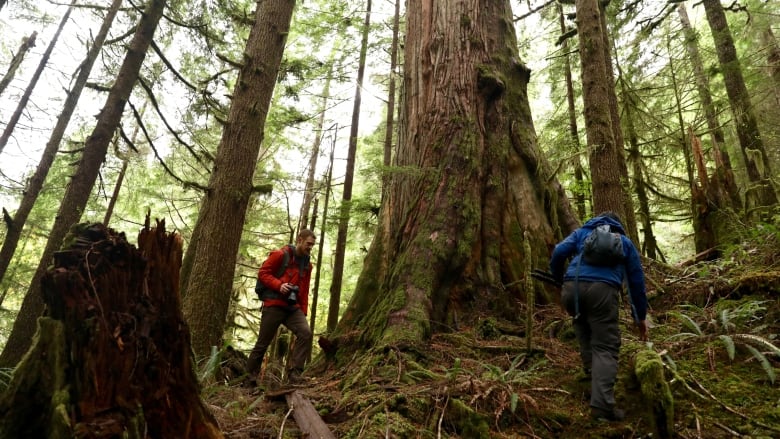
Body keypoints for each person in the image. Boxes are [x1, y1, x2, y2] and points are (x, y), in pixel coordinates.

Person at [549, 212, 649, 422]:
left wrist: (559, 279)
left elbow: (558, 251)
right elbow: (636, 281)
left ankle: (591, 376)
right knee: (605, 346)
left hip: (571, 288)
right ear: (618, 226)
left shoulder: (581, 233)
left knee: (582, 326)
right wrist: (639, 316)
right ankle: (602, 407)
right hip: (602, 292)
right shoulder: (624, 241)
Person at [246, 229, 316, 384]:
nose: (310, 247)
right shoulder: (280, 255)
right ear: (299, 239)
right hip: (274, 304)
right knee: (263, 343)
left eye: (312, 245)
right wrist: (279, 285)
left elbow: (304, 289)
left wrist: (302, 311)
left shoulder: (307, 265)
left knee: (305, 333)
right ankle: (248, 379)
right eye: (308, 243)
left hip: (292, 307)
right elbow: (263, 273)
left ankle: (295, 374)